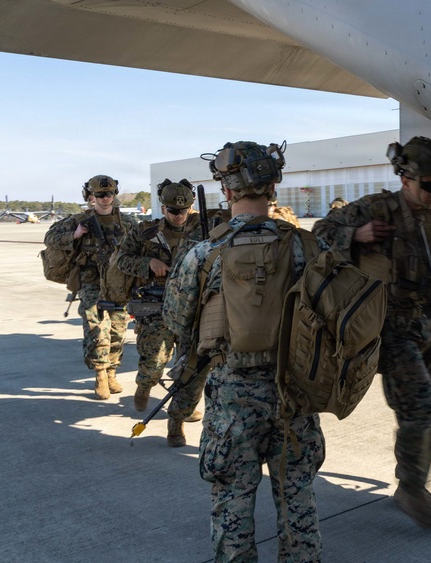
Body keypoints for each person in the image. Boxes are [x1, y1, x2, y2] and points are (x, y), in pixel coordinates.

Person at [163, 141, 327, 561]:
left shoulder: (204, 252)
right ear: (272, 188)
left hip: (233, 398)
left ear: (229, 191)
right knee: (298, 498)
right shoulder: (308, 248)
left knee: (232, 499)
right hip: (294, 394)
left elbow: (177, 321)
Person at [313, 136, 431, 529]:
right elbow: (319, 233)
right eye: (430, 185)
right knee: (419, 409)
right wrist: (356, 236)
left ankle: (413, 480)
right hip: (393, 330)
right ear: (406, 179)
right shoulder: (376, 209)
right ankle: (411, 488)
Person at [114, 179, 202, 447]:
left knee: (193, 369)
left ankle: (176, 422)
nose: (179, 215)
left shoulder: (204, 229)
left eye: (184, 210)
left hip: (194, 309)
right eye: (173, 211)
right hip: (157, 308)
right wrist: (148, 263)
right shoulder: (145, 232)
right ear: (163, 208)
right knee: (154, 363)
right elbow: (120, 259)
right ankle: (145, 384)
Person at [44, 175, 137, 400]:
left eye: (109, 194)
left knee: (117, 331)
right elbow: (50, 238)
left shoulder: (128, 223)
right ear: (90, 197)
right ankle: (100, 375)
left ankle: (112, 372)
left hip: (118, 285)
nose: (105, 199)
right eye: (100, 195)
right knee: (97, 330)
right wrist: (75, 234)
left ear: (114, 195)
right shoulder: (79, 220)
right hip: (91, 284)